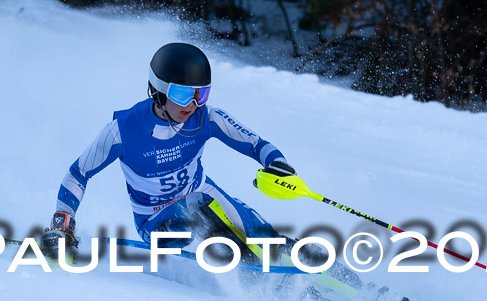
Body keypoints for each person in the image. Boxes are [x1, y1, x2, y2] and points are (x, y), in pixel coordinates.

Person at [40, 42, 296, 263]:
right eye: (183, 94)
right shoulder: (122, 131)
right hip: (156, 221)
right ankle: (251, 265)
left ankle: (288, 253)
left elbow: (255, 143)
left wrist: (277, 163)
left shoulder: (206, 117)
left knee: (256, 230)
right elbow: (79, 173)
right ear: (159, 90)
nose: (193, 105)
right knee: (199, 207)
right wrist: (62, 224)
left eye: (201, 94)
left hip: (204, 197)